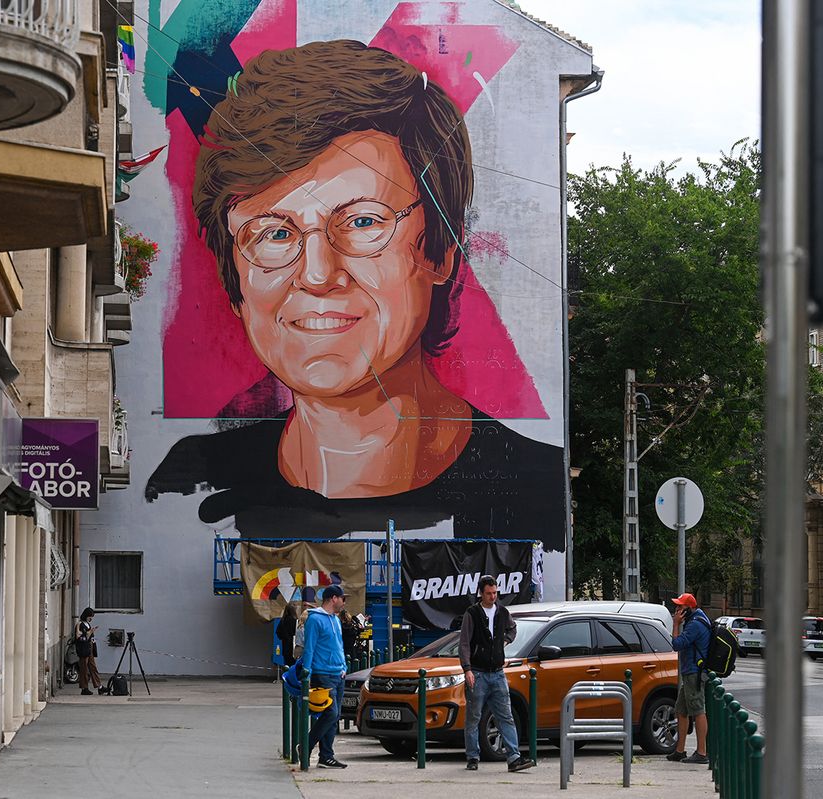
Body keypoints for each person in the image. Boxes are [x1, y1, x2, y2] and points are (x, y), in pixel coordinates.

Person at [145, 39, 563, 544]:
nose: (318, 274)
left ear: (439, 251)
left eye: (363, 222)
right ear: (236, 284)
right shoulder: (189, 482)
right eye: (274, 234)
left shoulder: (536, 494)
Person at [458, 576, 535, 773]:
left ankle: (514, 758)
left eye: (495, 593)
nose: (493, 597)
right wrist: (467, 669)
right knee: (473, 717)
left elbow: (512, 628)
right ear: (481, 594)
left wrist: (506, 641)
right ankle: (472, 756)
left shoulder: (502, 612)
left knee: (506, 716)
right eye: (489, 593)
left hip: (498, 672)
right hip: (478, 672)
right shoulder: (472, 613)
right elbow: (464, 642)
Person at [300, 585, 348, 768]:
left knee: (334, 717)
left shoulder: (336, 620)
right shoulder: (315, 620)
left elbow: (339, 645)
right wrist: (307, 673)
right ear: (333, 598)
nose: (344, 602)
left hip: (338, 673)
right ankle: (306, 745)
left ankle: (326, 756)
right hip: (323, 673)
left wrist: (344, 666)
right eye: (343, 598)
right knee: (331, 713)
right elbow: (309, 648)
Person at [668, 592, 711, 764]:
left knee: (698, 711)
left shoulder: (694, 624)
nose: (677, 609)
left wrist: (676, 624)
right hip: (690, 671)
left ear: (689, 608)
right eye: (677, 606)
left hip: (695, 672)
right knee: (681, 710)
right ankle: (680, 750)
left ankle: (701, 753)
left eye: (680, 607)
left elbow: (676, 645)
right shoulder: (698, 618)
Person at [75, 608, 102, 696]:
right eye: (90, 617)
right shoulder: (80, 624)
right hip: (83, 648)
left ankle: (99, 686)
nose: (91, 618)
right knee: (84, 669)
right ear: (86, 616)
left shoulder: (87, 624)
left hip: (89, 647)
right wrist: (90, 632)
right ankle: (84, 687)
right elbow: (80, 637)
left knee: (93, 667)